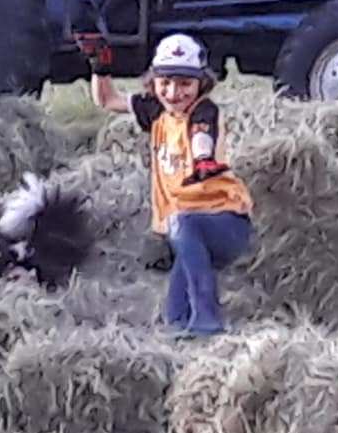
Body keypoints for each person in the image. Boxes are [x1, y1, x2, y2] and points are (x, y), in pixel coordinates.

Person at [93, 31, 255, 336]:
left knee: (180, 223)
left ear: (201, 84)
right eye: (165, 82)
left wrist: (204, 159)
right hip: (187, 227)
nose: (173, 92)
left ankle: (209, 322)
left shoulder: (203, 111)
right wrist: (99, 64)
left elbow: (201, 134)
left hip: (226, 223)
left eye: (185, 83)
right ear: (153, 83)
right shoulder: (156, 111)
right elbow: (107, 100)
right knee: (174, 318)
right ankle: (188, 336)